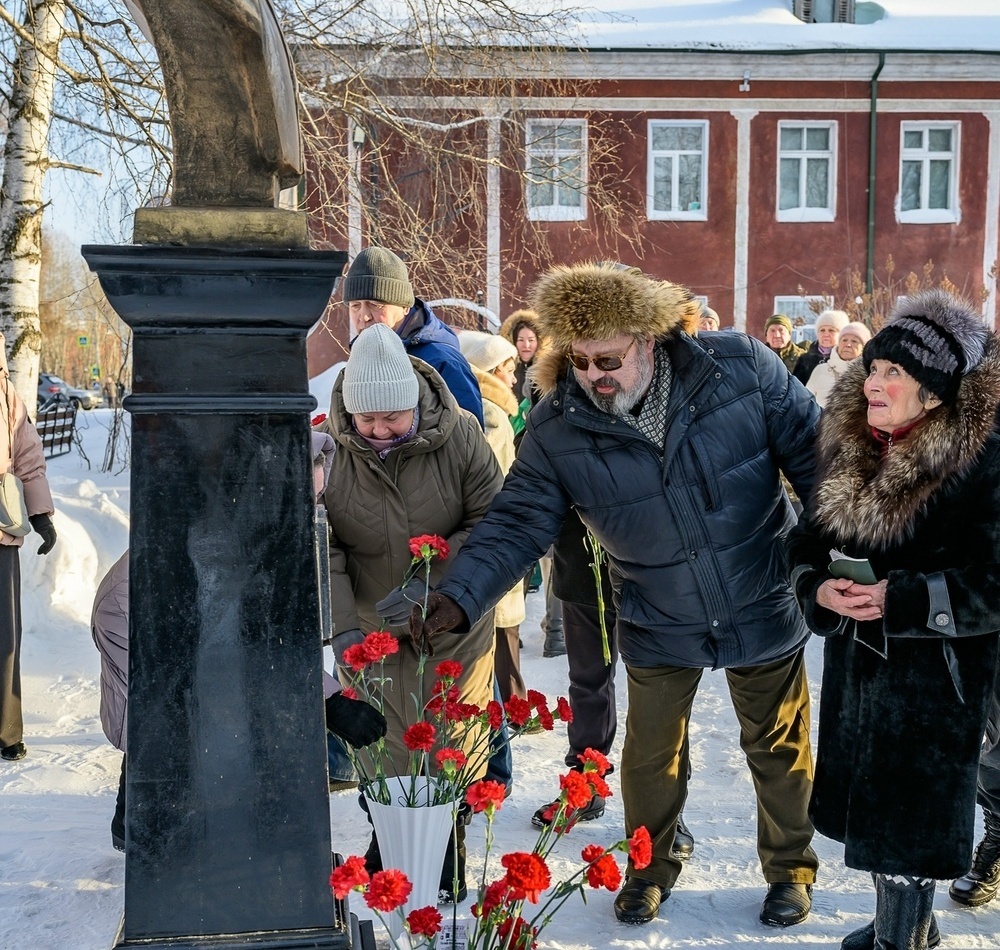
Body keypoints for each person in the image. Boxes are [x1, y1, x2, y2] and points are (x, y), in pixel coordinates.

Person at [409, 262, 821, 927]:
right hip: (659, 609)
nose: (595, 375)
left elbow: (818, 460)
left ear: (649, 339)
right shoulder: (558, 425)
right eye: (579, 361)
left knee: (778, 747)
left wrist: (833, 561)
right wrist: (460, 593)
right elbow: (516, 521)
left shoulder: (740, 370)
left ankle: (790, 870)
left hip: (760, 589)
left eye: (610, 359)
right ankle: (649, 868)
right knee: (652, 756)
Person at [785, 289, 1000, 950]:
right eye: (873, 368)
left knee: (911, 821)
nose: (872, 382)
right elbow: (803, 544)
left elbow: (993, 583)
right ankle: (904, 927)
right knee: (874, 814)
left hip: (940, 682)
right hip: (860, 671)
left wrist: (900, 599)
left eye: (892, 375)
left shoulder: (982, 464)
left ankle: (899, 941)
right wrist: (818, 589)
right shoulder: (852, 445)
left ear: (934, 395)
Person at [324, 324, 503, 902]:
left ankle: (446, 844)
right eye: (366, 420)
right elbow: (320, 543)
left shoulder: (462, 437)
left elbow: (494, 524)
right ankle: (390, 841)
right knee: (385, 746)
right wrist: (342, 623)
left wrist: (439, 587)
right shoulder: (328, 449)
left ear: (415, 403)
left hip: (451, 621)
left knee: (450, 740)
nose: (378, 431)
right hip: (371, 629)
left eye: (391, 418)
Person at [457, 330, 528, 704]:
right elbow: (494, 482)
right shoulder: (491, 415)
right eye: (508, 369)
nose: (514, 378)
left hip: (493, 533)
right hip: (497, 534)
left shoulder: (476, 407)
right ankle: (508, 710)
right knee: (499, 635)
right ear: (488, 371)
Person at [341, 246, 484, 428]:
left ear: (405, 307)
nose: (364, 316)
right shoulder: (360, 358)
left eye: (375, 304)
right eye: (355, 306)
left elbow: (469, 440)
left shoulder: (443, 361)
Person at [499, 308, 565, 657]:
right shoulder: (509, 374)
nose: (525, 344)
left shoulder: (547, 372)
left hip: (535, 464)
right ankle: (523, 625)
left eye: (531, 339)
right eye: (520, 339)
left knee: (549, 556)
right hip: (521, 466)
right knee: (534, 553)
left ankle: (553, 630)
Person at [0, 360, 56, 763]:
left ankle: (6, 731)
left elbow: (25, 449)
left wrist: (38, 514)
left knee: (5, 636)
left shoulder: (3, 389)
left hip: (0, 530)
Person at [805, 320, 872, 409]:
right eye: (844, 340)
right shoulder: (820, 369)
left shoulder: (869, 375)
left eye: (854, 341)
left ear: (864, 348)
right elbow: (805, 401)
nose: (848, 344)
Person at [794, 309, 849, 385]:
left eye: (831, 330)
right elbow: (796, 388)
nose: (826, 334)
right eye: (822, 330)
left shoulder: (847, 360)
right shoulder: (805, 360)